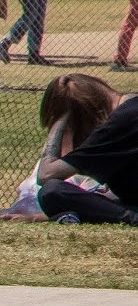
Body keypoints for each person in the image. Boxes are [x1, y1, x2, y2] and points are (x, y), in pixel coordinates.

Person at [29, 71, 138, 223]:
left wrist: (60, 122)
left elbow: (46, 175)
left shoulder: (119, 123)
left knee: (52, 191)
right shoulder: (132, 105)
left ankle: (133, 219)